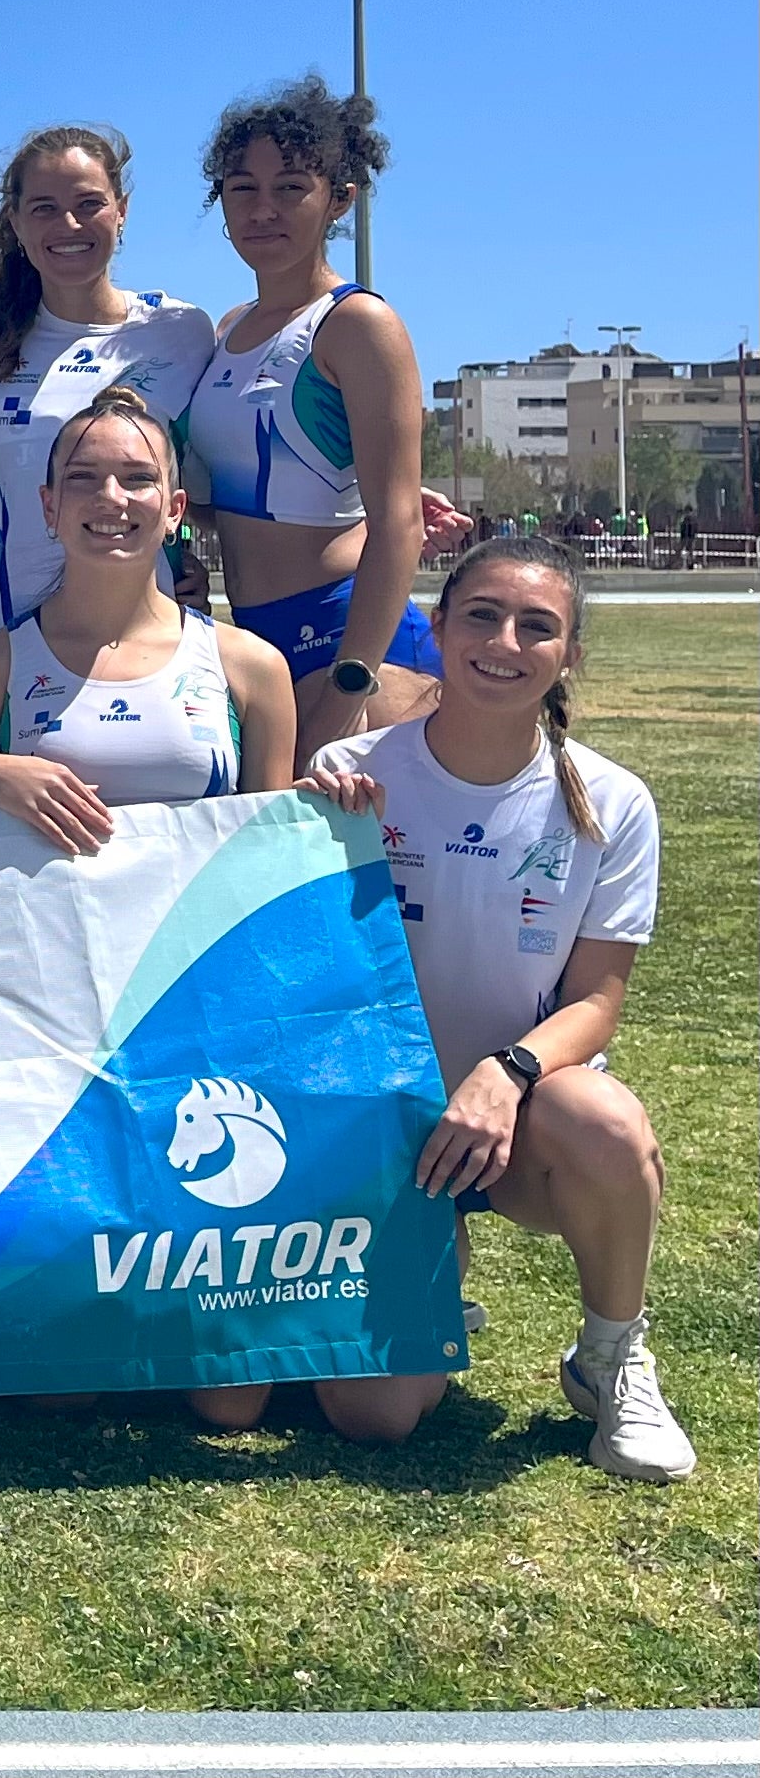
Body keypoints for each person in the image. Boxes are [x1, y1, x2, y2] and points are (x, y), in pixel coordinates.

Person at [262, 537, 692, 1481]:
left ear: (568, 653)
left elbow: (596, 1000)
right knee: (375, 1418)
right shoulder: (349, 768)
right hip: (377, 1125)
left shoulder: (612, 801)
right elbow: (299, 970)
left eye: (536, 626)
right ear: (438, 626)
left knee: (604, 1118)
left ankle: (611, 1355)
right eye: (482, 616)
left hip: (523, 1125)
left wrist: (507, 1072)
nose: (504, 642)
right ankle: (432, 1276)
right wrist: (301, 831)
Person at [174, 75, 437, 765]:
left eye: (290, 187)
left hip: (349, 638)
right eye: (243, 188)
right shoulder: (228, 329)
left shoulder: (357, 324)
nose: (263, 209)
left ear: (339, 199)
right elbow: (236, 504)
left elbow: (398, 524)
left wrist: (350, 687)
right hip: (252, 638)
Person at [0, 388, 296, 852]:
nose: (110, 497)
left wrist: (333, 803)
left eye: (138, 478)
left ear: (175, 511)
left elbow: (276, 849)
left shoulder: (253, 667)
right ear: (49, 507)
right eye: (82, 477)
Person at [0, 126, 216, 631]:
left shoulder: (181, 331)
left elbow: (209, 491)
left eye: (89, 203)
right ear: (16, 222)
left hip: (151, 637)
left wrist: (185, 556)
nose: (69, 224)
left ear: (122, 210)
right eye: (45, 208)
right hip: (18, 640)